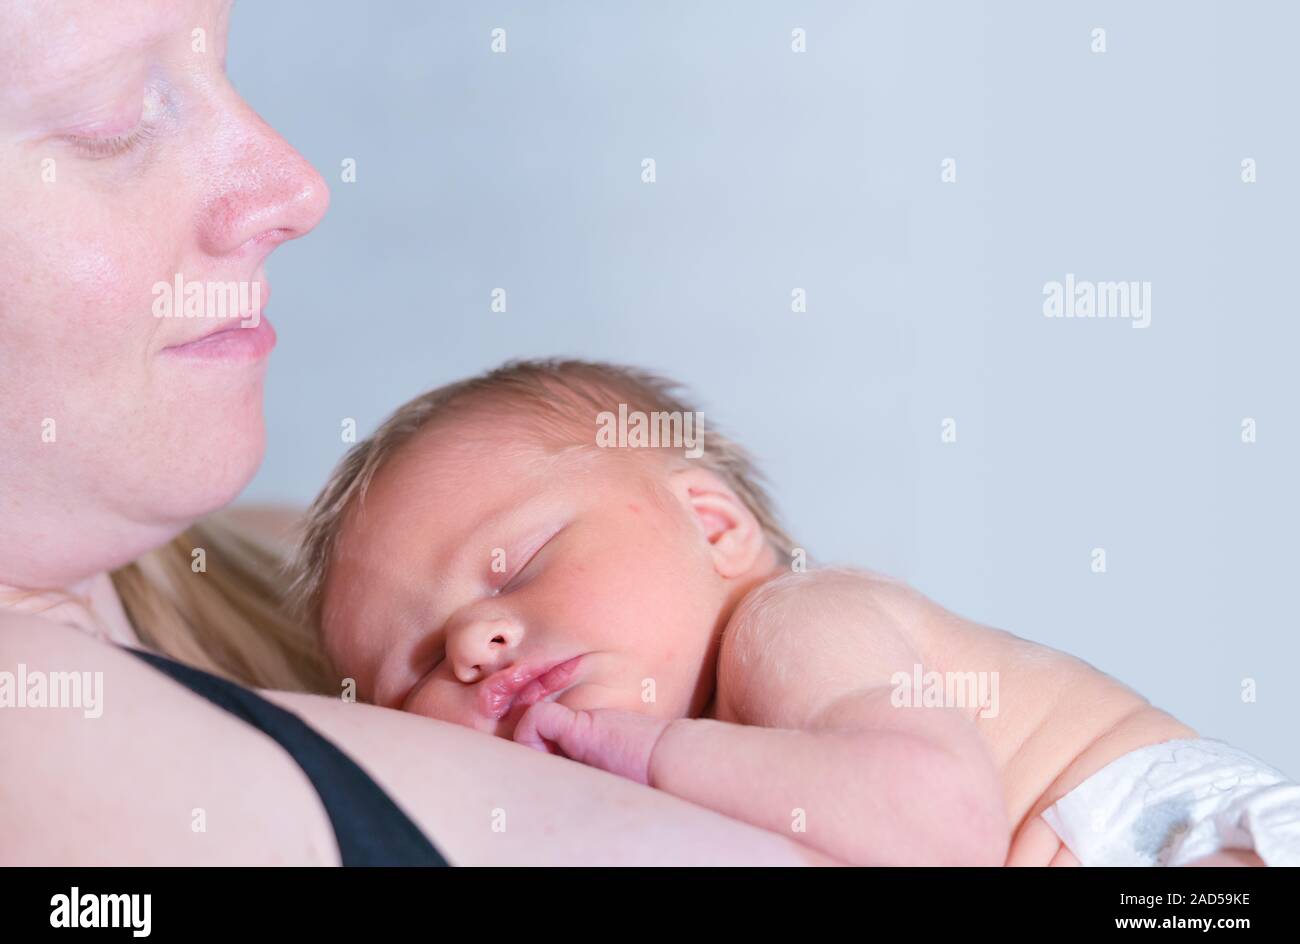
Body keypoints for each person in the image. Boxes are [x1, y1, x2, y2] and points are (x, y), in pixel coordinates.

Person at [0, 0, 830, 867]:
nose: (296, 188)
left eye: (221, 63)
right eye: (115, 121)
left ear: (716, 524)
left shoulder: (309, 579)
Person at [298, 358, 1300, 867]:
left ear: (713, 523)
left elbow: (931, 821)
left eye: (514, 568)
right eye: (416, 668)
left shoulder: (791, 623)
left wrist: (642, 752)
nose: (474, 643)